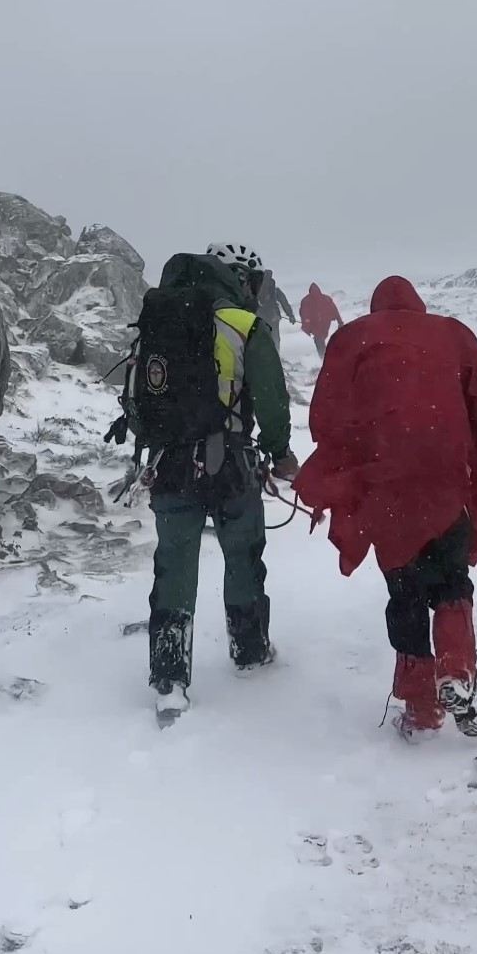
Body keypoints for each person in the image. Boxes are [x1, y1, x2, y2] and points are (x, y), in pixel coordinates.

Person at [294, 277, 477, 741]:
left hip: (388, 484)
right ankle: (457, 668)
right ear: (418, 305)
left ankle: (421, 708)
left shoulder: (353, 338)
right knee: (452, 580)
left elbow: (327, 417)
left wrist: (340, 473)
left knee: (405, 589)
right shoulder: (452, 334)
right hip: (445, 480)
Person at [141, 252, 298, 726]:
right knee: (243, 554)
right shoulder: (243, 323)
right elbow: (270, 396)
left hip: (169, 465)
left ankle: (170, 678)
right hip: (229, 463)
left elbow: (138, 396)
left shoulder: (160, 315)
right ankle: (249, 651)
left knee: (174, 565)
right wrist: (280, 451)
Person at [203, 243, 294, 348]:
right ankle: (274, 351)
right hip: (271, 316)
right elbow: (283, 301)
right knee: (269, 337)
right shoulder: (273, 288)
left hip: (261, 315)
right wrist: (290, 314)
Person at [299, 283, 344, 358]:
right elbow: (334, 310)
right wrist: (339, 321)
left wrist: (306, 327)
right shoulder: (325, 299)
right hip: (323, 323)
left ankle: (324, 357)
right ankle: (325, 357)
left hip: (317, 324)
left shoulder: (306, 301)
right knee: (320, 338)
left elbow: (304, 314)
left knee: (319, 339)